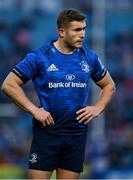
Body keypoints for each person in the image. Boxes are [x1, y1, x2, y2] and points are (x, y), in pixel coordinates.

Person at [1, 9, 116, 179]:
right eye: (77, 30)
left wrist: (98, 108)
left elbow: (109, 85)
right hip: (47, 134)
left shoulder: (89, 57)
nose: (82, 34)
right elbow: (9, 85)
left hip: (76, 136)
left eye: (84, 29)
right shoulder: (39, 57)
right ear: (62, 32)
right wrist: (34, 110)